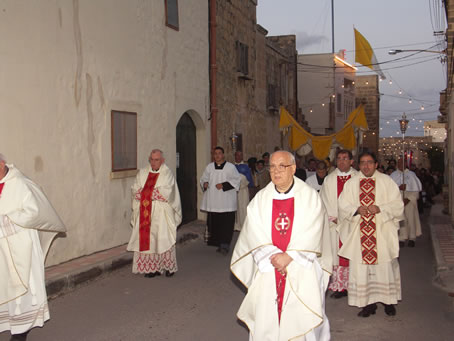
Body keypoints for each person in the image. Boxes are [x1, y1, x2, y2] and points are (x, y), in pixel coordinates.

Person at [231, 151, 331, 341]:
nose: (276, 171)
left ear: (293, 168)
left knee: (301, 318)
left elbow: (314, 229)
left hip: (302, 266)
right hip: (269, 265)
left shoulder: (309, 196)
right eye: (272, 167)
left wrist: (289, 256)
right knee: (267, 316)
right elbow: (253, 231)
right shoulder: (261, 199)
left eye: (282, 166)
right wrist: (274, 256)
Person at [0, 154, 66, 340]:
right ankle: (10, 322)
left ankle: (21, 332)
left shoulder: (21, 183)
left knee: (22, 288)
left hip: (21, 247)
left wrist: (6, 219)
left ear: (2, 164)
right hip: (2, 249)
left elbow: (35, 212)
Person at [338, 152, 404, 317]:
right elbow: (343, 204)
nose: (366, 166)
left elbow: (398, 205)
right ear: (358, 165)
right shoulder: (352, 183)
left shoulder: (387, 182)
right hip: (360, 233)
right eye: (362, 163)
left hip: (381, 232)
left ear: (376, 164)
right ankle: (367, 304)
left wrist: (381, 208)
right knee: (362, 270)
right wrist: (356, 209)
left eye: (369, 162)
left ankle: (388, 301)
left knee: (385, 267)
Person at [128, 149, 182, 278]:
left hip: (161, 212)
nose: (153, 162)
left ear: (162, 160)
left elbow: (168, 191)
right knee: (150, 240)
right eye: (151, 159)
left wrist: (147, 192)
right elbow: (135, 189)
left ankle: (169, 267)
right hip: (145, 212)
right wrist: (147, 192)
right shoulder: (142, 173)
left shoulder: (167, 173)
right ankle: (153, 268)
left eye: (156, 160)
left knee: (163, 239)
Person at [320, 149, 357, 299]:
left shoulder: (358, 178)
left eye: (345, 158)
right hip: (334, 224)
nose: (342, 161)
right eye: (339, 158)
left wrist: (350, 216)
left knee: (353, 254)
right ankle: (340, 286)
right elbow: (323, 200)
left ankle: (355, 286)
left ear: (351, 161)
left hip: (353, 223)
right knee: (336, 254)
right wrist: (333, 216)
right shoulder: (329, 179)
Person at [200, 146, 241, 255]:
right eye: (215, 153)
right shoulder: (209, 167)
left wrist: (223, 185)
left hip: (226, 201)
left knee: (226, 224)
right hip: (214, 201)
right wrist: (204, 183)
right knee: (216, 224)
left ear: (223, 155)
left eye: (219, 153)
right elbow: (204, 178)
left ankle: (225, 245)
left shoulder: (230, 167)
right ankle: (218, 242)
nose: (217, 155)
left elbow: (237, 180)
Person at [390, 158, 422, 248]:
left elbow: (416, 191)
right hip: (397, 201)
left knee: (411, 219)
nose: (400, 164)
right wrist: (398, 187)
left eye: (402, 163)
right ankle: (402, 238)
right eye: (399, 163)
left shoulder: (411, 175)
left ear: (405, 164)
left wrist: (408, 198)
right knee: (401, 220)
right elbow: (389, 190)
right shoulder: (393, 175)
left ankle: (412, 238)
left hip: (409, 200)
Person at [234, 151, 253, 231]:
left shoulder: (246, 167)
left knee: (243, 207)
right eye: (237, 155)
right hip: (234, 191)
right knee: (235, 208)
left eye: (240, 155)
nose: (238, 157)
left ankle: (244, 226)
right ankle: (236, 225)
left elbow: (249, 179)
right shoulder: (232, 166)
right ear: (235, 156)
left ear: (242, 157)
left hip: (243, 190)